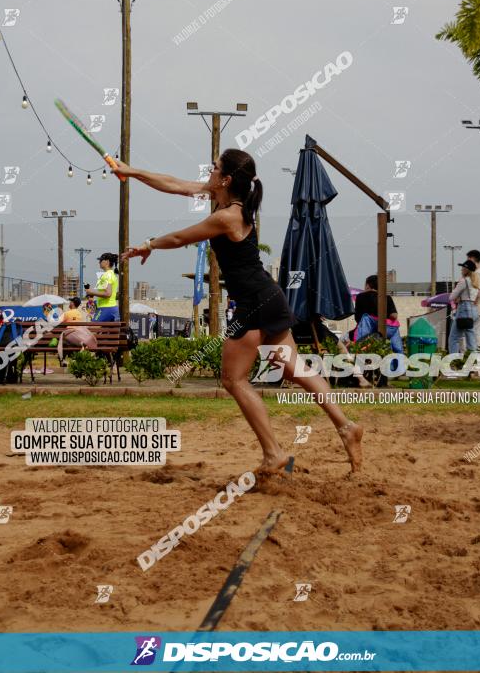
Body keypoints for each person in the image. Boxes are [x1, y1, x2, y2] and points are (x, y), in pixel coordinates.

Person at [115, 148, 363, 474]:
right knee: (294, 370)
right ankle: (347, 427)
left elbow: (179, 237)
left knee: (233, 379)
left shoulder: (226, 216)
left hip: (252, 303)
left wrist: (148, 245)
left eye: (215, 167)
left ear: (226, 178)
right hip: (269, 296)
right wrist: (131, 171)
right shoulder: (228, 202)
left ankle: (274, 453)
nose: (210, 170)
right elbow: (174, 183)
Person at [448, 259, 480, 354]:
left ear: (467, 270)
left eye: (463, 267)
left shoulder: (464, 281)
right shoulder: (475, 282)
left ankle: (453, 361)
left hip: (464, 310)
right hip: (473, 309)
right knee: (471, 339)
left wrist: (458, 298)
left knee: (453, 338)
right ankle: (474, 362)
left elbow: (451, 297)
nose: (461, 269)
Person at [84, 253, 120, 321]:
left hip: (105, 308)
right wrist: (92, 293)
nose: (99, 262)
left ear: (107, 262)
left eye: (101, 260)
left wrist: (91, 292)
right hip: (112, 308)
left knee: (92, 330)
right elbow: (104, 292)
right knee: (108, 331)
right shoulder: (112, 275)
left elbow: (108, 294)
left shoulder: (106, 275)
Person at [466, 249, 480, 349]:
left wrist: (473, 303)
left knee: (473, 336)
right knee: (476, 334)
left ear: (472, 259)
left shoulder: (477, 273)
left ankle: (476, 359)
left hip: (476, 306)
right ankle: (478, 358)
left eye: (468, 259)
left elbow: (477, 291)